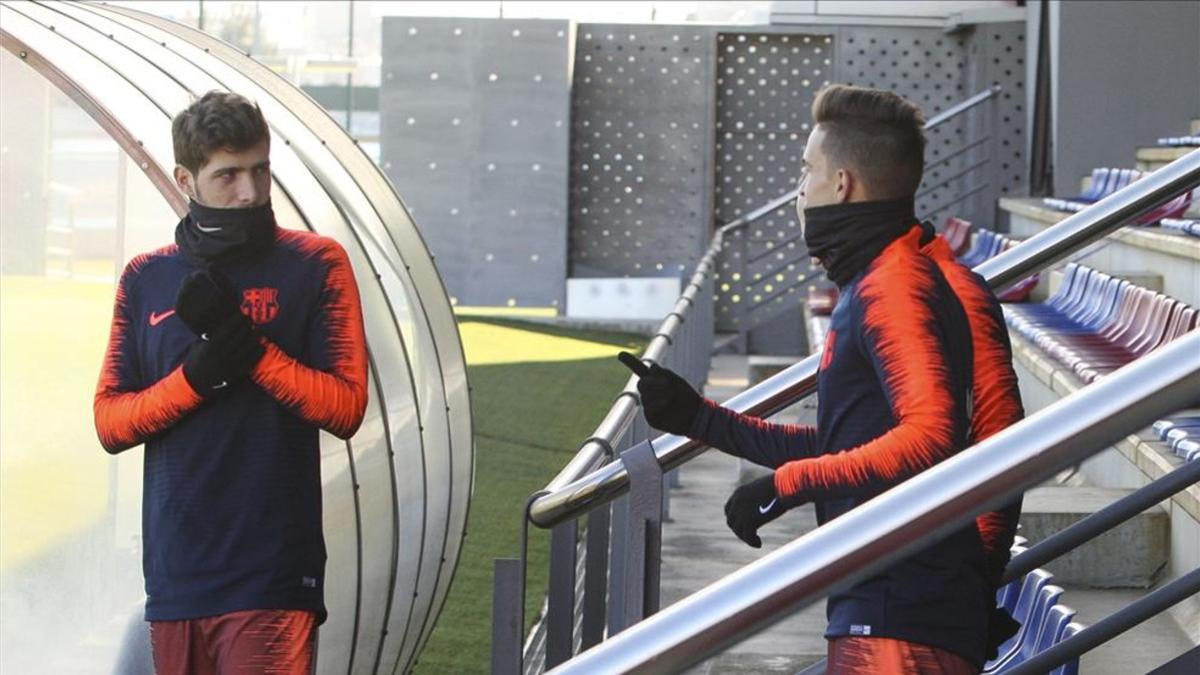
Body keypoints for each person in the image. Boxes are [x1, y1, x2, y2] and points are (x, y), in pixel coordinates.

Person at [635, 84, 1017, 674]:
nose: (799, 189)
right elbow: (850, 445)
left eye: (806, 170)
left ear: (840, 184)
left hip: (905, 605)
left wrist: (788, 485)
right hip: (887, 593)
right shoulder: (875, 283)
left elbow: (949, 440)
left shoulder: (898, 285)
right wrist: (700, 420)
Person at [93, 91, 369, 674]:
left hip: (272, 573)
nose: (249, 191)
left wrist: (252, 353)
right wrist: (197, 378)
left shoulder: (318, 263)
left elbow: (345, 408)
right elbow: (110, 422)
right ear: (185, 179)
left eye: (260, 170)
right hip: (176, 577)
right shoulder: (147, 276)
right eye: (228, 176)